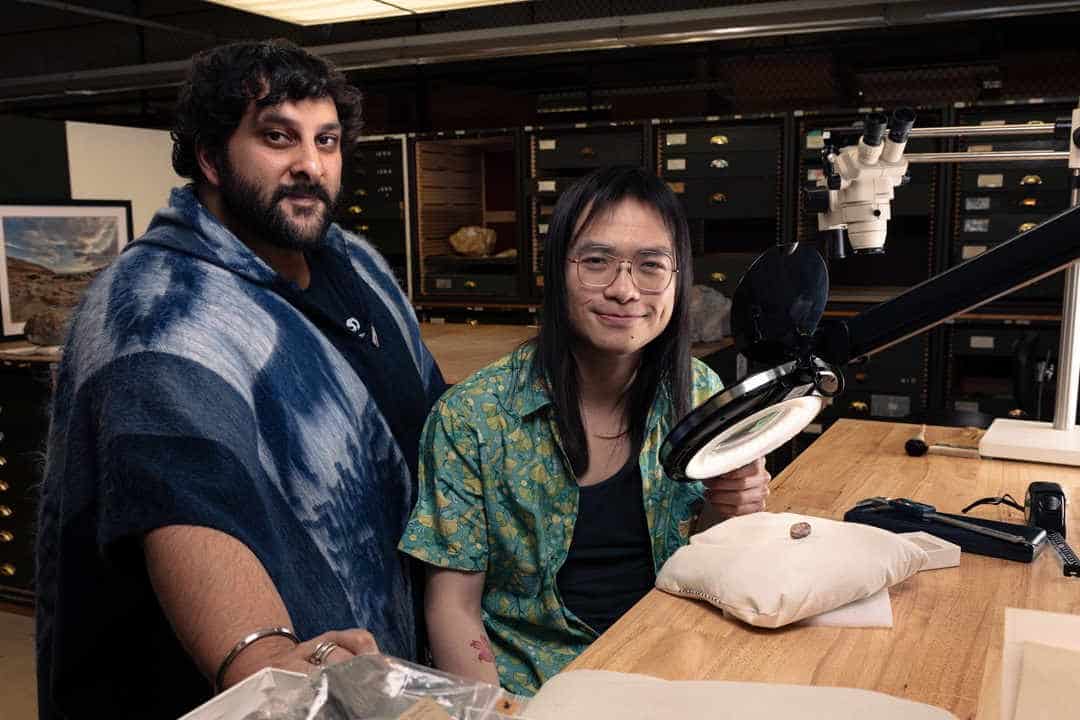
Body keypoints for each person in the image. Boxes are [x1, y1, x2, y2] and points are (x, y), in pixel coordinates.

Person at [35, 39, 445, 719]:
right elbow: (179, 488)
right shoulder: (159, 308)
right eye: (278, 137)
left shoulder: (357, 264)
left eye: (326, 140)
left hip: (388, 654)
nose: (310, 165)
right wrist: (263, 659)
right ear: (209, 157)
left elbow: (431, 418)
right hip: (256, 686)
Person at [399, 166, 770, 696]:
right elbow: (453, 608)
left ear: (678, 278)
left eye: (650, 265)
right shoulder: (471, 419)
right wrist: (496, 713)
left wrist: (728, 504)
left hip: (674, 667)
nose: (624, 290)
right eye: (597, 262)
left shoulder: (699, 392)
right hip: (537, 687)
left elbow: (706, 559)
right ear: (557, 271)